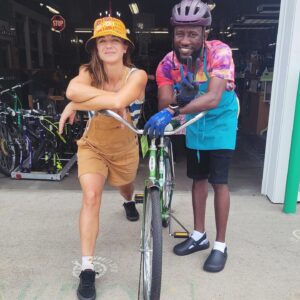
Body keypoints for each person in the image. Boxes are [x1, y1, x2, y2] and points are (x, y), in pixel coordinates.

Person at [144, 0, 239, 273]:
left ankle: (220, 245)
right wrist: (174, 102)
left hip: (220, 120)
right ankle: (199, 235)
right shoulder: (167, 63)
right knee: (198, 179)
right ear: (173, 33)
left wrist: (176, 108)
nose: (185, 39)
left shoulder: (220, 52)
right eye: (180, 33)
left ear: (204, 33)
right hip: (195, 123)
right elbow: (164, 102)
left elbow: (212, 98)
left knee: (219, 181)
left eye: (193, 33)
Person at [58, 16, 147, 300]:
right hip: (93, 144)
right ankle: (87, 269)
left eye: (114, 40)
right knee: (91, 197)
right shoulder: (88, 70)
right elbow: (72, 89)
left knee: (126, 185)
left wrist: (78, 102)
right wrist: (75, 98)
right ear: (95, 47)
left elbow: (121, 101)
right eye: (102, 41)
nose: (108, 45)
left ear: (124, 47)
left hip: (124, 146)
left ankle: (129, 201)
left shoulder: (138, 76)